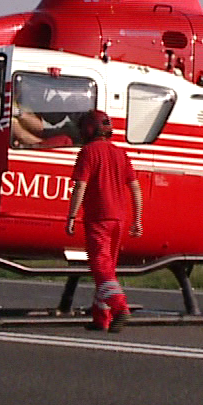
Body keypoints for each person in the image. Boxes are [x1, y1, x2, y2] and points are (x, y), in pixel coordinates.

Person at [63, 110, 142, 332]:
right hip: (119, 219)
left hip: (98, 218)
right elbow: (135, 188)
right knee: (108, 268)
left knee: (100, 266)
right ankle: (101, 317)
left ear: (87, 129)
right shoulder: (121, 154)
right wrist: (137, 219)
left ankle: (119, 307)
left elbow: (80, 186)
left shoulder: (87, 153)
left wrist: (71, 215)